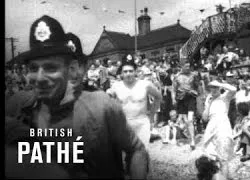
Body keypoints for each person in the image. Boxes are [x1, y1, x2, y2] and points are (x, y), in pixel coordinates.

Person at [5, 15, 149, 179]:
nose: (40, 77)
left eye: (51, 67)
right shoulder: (18, 106)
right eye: (33, 68)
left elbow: (136, 149)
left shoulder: (101, 107)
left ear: (71, 69)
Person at [107, 54, 162, 148]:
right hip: (123, 124)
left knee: (141, 155)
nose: (128, 74)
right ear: (121, 73)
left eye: (131, 71)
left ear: (135, 72)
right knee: (125, 157)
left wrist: (152, 116)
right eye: (125, 71)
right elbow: (107, 102)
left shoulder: (145, 84)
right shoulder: (116, 86)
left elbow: (158, 97)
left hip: (142, 122)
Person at [201, 80, 237, 178]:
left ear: (220, 88)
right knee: (210, 156)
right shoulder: (209, 99)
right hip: (211, 127)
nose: (214, 89)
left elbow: (234, 89)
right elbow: (204, 118)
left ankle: (225, 177)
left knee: (223, 158)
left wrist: (220, 84)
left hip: (223, 126)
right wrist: (209, 102)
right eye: (212, 87)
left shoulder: (225, 97)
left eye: (216, 87)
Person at [172, 61, 200, 150]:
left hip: (191, 98)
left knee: (190, 119)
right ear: (181, 66)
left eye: (189, 66)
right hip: (181, 99)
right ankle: (187, 136)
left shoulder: (193, 75)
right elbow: (173, 89)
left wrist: (198, 95)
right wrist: (173, 99)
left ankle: (192, 140)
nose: (188, 68)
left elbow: (198, 87)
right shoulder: (176, 76)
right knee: (184, 120)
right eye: (186, 66)